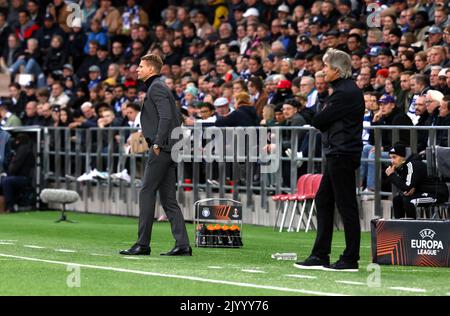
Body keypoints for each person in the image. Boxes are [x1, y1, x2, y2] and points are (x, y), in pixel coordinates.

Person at [295, 48, 364, 272]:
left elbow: (319, 119)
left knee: (346, 206)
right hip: (339, 152)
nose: (323, 71)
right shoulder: (343, 90)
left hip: (342, 153)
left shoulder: (345, 92)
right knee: (324, 200)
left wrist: (322, 110)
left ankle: (350, 258)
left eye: (326, 67)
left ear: (336, 69)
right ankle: (320, 254)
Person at [120, 54, 191, 257]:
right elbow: (174, 115)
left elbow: (167, 116)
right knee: (168, 199)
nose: (137, 69)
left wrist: (158, 142)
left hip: (163, 147)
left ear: (151, 69)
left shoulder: (156, 87)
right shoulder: (158, 87)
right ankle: (183, 244)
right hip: (170, 148)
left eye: (141, 66)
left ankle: (143, 244)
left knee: (146, 191)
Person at [385, 143, 449, 219]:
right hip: (423, 191)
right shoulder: (403, 167)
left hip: (437, 194)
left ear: (403, 157)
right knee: (397, 199)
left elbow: (406, 187)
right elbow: (405, 188)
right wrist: (410, 188)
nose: (392, 161)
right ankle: (400, 228)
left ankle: (412, 228)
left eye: (394, 157)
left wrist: (392, 175)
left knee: (410, 201)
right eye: (391, 158)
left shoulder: (412, 164)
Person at [0, 133, 35, 213]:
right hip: (18, 176)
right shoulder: (21, 149)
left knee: (6, 181)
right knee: (3, 180)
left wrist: (7, 173)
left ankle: (10, 206)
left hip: (24, 177)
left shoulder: (23, 149)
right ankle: (3, 208)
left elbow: (15, 166)